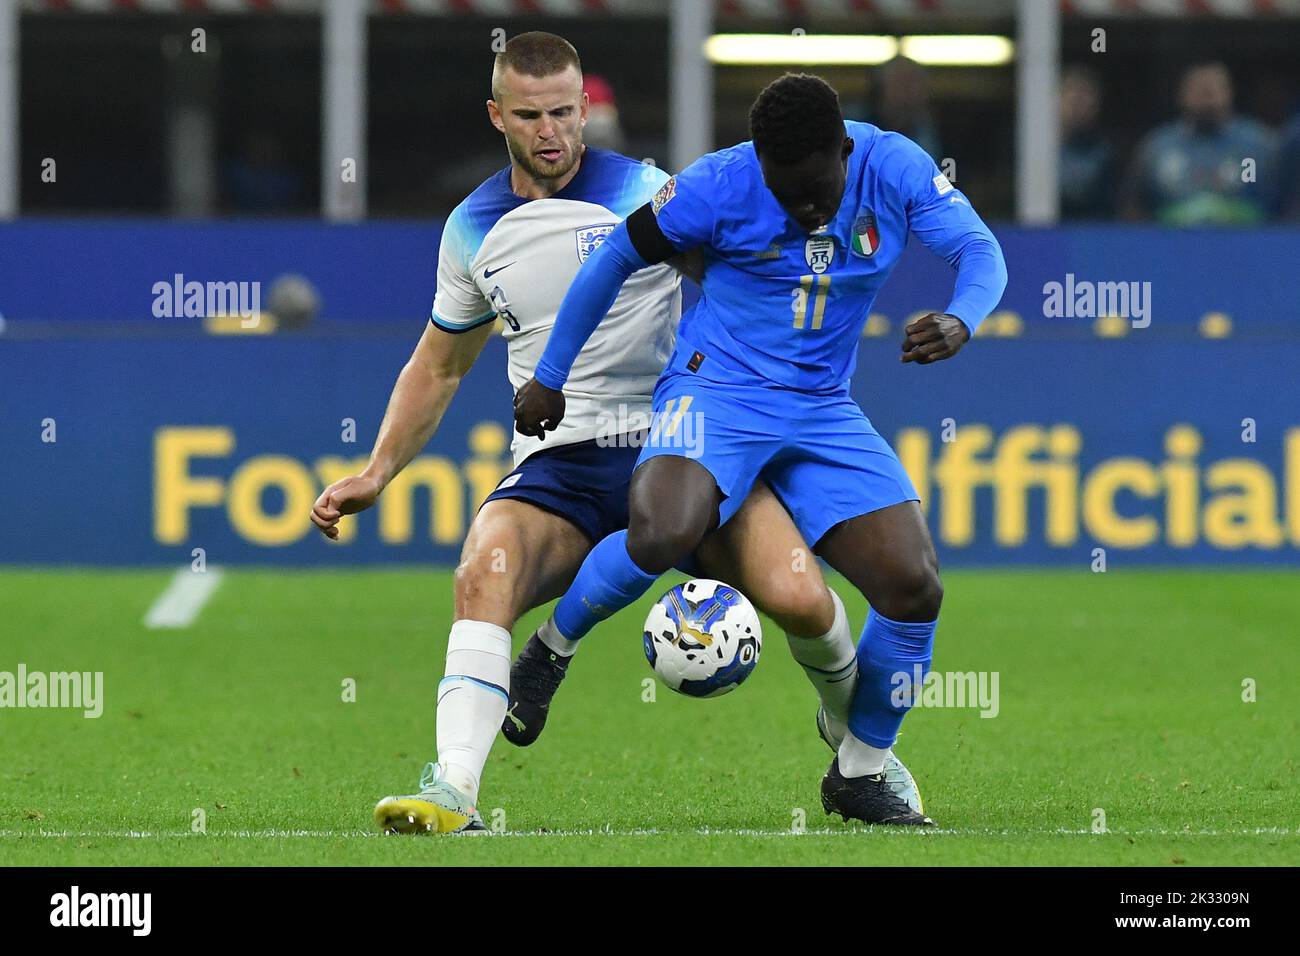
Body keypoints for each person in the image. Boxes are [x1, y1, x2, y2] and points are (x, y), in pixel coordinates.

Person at [310, 35, 920, 834]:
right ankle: (455, 789)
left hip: (684, 446)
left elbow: (749, 278)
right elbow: (441, 364)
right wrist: (378, 469)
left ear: (585, 109)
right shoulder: (471, 228)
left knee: (804, 597)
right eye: (529, 115)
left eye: (564, 111)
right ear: (499, 117)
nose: (551, 130)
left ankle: (859, 754)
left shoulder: (650, 190)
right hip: (558, 466)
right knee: (482, 574)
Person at [515, 73, 1008, 826]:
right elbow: (616, 256)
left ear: (845, 150)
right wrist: (551, 378)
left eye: (816, 190)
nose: (805, 209)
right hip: (718, 390)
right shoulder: (717, 184)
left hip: (822, 408)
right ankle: (551, 649)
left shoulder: (896, 166)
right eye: (786, 194)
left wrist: (962, 319)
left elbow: (979, 251)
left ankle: (860, 771)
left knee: (914, 585)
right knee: (661, 531)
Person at [1120, 62, 1276, 225]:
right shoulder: (1157, 146)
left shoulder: (1259, 143)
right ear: (1181, 95)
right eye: (1198, 89)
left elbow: (1278, 203)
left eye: (1213, 89)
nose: (1206, 97)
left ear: (1230, 93)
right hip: (1169, 243)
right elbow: (1132, 206)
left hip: (1246, 242)